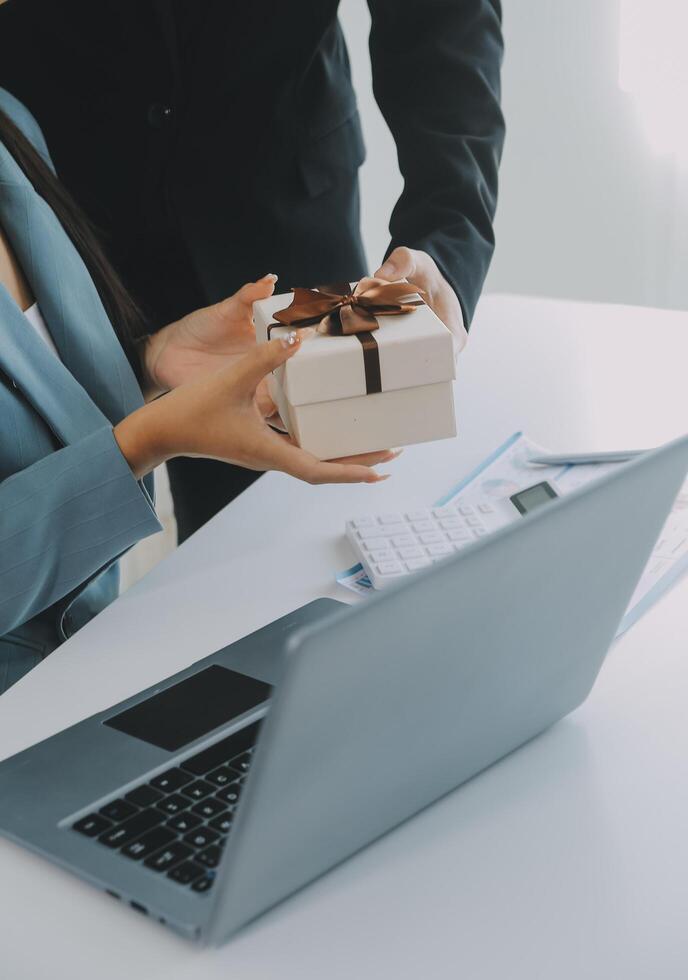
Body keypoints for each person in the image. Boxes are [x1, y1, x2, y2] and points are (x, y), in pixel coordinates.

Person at [0, 0, 505, 542]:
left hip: (281, 202)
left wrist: (447, 237)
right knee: (65, 524)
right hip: (57, 219)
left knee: (301, 532)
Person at [0, 89, 395, 694]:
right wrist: (147, 440)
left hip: (94, 662)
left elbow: (34, 403)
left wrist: (153, 362)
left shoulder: (12, 122)